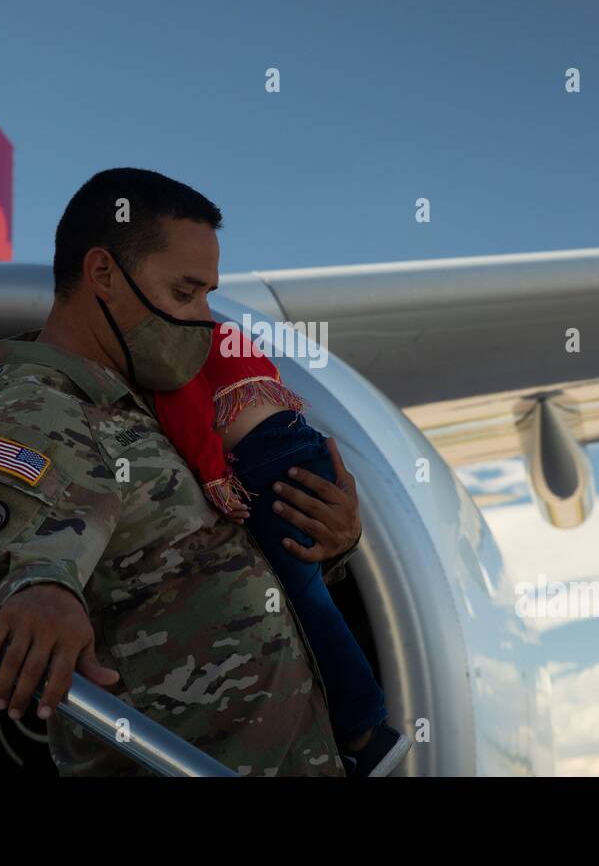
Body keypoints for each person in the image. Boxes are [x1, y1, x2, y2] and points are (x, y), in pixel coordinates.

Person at [0, 167, 366, 776]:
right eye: (185, 293)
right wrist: (36, 593)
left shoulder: (159, 403)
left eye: (207, 294)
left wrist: (326, 540)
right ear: (103, 274)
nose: (205, 319)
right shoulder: (42, 411)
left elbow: (193, 563)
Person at [152, 321, 412, 776]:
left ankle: (363, 731)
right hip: (296, 445)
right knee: (304, 597)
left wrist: (215, 476)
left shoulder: (169, 338)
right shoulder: (222, 330)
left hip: (266, 461)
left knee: (302, 604)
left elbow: (185, 406)